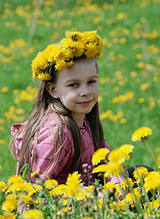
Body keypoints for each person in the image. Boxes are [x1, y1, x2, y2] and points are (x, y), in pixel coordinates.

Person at [9, 31, 153, 195]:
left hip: (94, 195)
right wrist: (88, 196)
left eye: (91, 82)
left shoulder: (85, 120)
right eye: (74, 85)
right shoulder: (57, 135)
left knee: (143, 173)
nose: (85, 91)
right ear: (53, 90)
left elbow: (107, 157)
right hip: (69, 209)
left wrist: (119, 183)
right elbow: (35, 191)